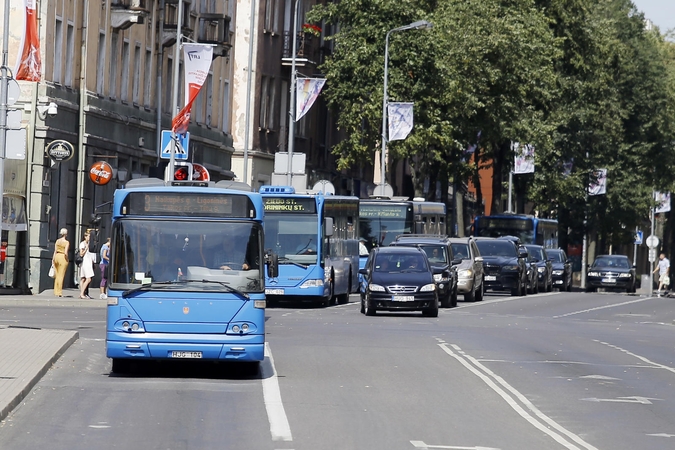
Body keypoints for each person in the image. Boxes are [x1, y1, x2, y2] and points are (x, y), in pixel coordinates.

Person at [52, 229, 70, 297]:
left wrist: (53, 259)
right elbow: (66, 253)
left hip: (56, 256)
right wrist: (67, 259)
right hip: (62, 257)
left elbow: (55, 251)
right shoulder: (66, 242)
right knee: (61, 275)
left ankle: (55, 291)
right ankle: (59, 292)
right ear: (66, 234)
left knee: (57, 275)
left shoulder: (57, 241)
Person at [78, 231, 96, 299]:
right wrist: (86, 248)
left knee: (83, 279)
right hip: (85, 262)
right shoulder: (82, 244)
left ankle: (82, 293)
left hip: (89, 262)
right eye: (88, 236)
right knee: (88, 279)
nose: (89, 238)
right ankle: (82, 293)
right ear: (85, 237)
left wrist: (93, 263)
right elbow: (81, 254)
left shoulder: (89, 243)